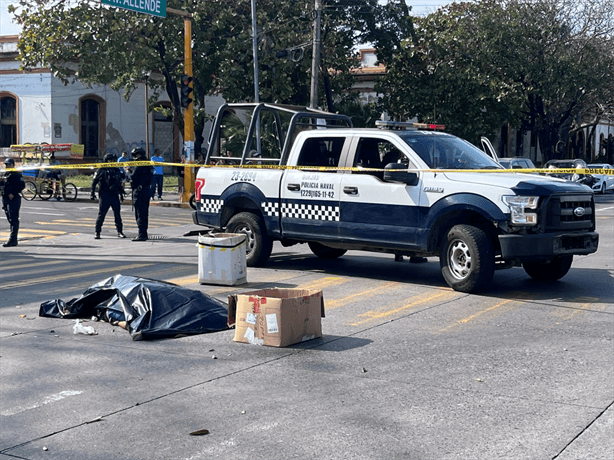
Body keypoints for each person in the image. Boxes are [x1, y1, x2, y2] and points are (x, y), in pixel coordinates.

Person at [90, 153, 126, 239]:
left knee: (117, 214)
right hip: (104, 194)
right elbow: (94, 182)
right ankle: (97, 232)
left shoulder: (116, 170)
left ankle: (120, 231)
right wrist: (92, 193)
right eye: (111, 160)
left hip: (114, 195)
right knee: (101, 214)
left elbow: (121, 180)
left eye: (114, 160)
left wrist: (120, 191)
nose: (112, 162)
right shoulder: (101, 170)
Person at [129, 148, 153, 241]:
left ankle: (141, 234)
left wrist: (128, 172)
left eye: (136, 155)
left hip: (139, 191)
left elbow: (133, 176)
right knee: (144, 213)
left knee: (139, 213)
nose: (135, 158)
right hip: (146, 190)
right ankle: (144, 233)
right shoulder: (148, 163)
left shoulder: (140, 164)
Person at [1, 158, 25, 247]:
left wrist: (13, 193)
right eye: (6, 165)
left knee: (13, 219)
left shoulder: (16, 174)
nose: (7, 166)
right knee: (9, 218)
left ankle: (13, 239)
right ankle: (13, 238)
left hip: (13, 199)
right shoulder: (6, 174)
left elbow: (22, 185)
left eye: (9, 165)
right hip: (5, 198)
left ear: (13, 165)